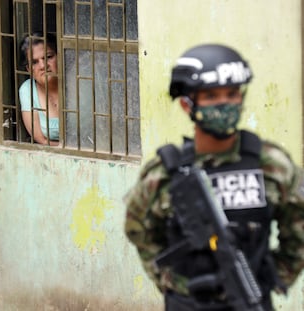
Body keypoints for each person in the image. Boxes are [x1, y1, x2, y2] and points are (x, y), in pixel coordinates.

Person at [124, 43, 304, 310]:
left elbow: (299, 227)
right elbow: (137, 226)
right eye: (211, 96)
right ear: (187, 105)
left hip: (250, 301)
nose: (224, 104)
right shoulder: (165, 172)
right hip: (188, 302)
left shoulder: (271, 165)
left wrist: (274, 276)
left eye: (232, 94)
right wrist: (169, 280)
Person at [19, 32, 59, 145]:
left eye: (48, 57)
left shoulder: (76, 82)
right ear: (28, 69)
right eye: (35, 62)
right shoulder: (28, 90)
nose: (43, 66)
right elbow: (41, 139)